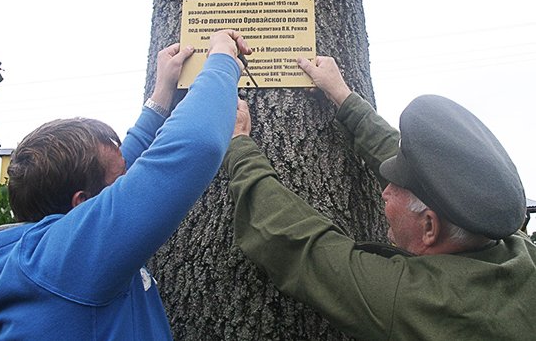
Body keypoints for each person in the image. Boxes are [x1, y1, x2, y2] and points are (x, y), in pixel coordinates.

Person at [224, 56, 536, 339]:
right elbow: (418, 165)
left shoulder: (414, 300)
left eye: (396, 188)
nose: (384, 191)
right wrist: (344, 98)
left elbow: (299, 246)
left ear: (430, 226)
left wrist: (239, 145)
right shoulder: (516, 247)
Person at [0, 30, 252, 340]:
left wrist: (162, 93)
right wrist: (221, 59)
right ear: (81, 202)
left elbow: (118, 166)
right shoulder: (73, 258)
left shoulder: (31, 252)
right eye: (120, 182)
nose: (130, 179)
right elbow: (196, 144)